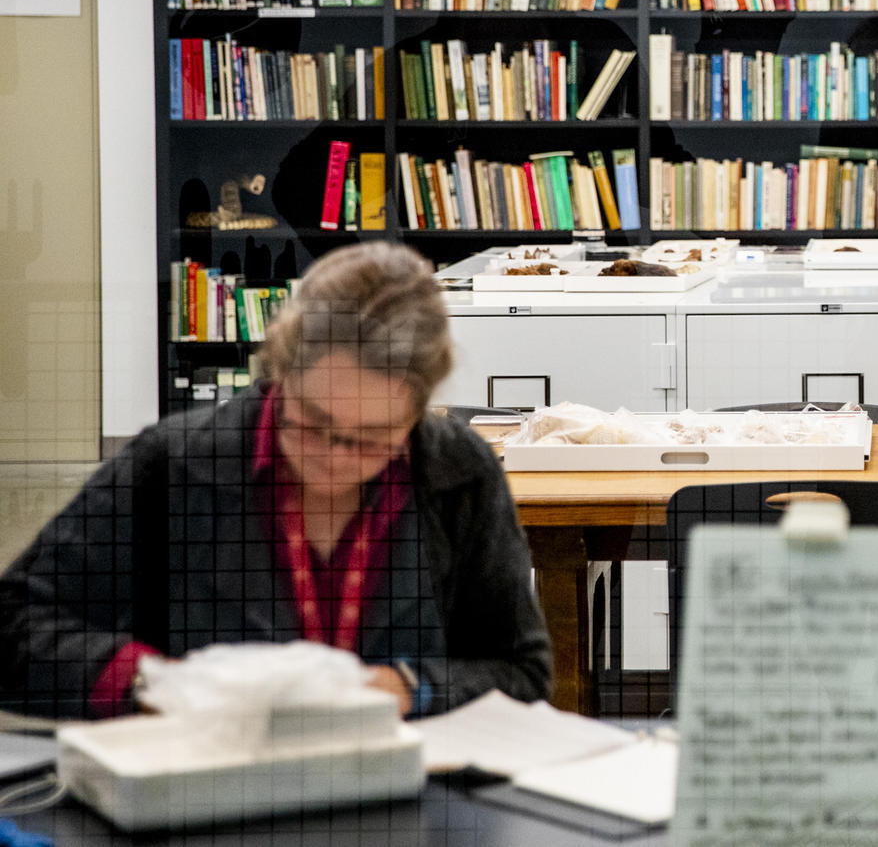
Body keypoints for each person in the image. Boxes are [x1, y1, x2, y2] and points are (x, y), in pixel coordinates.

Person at [0, 243, 551, 719]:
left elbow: (521, 672)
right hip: (204, 792)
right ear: (280, 374)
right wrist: (156, 686)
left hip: (406, 793)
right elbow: (12, 629)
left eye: (374, 437)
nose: (335, 458)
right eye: (312, 423)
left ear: (420, 410)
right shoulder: (169, 463)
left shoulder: (459, 471)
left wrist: (411, 688)